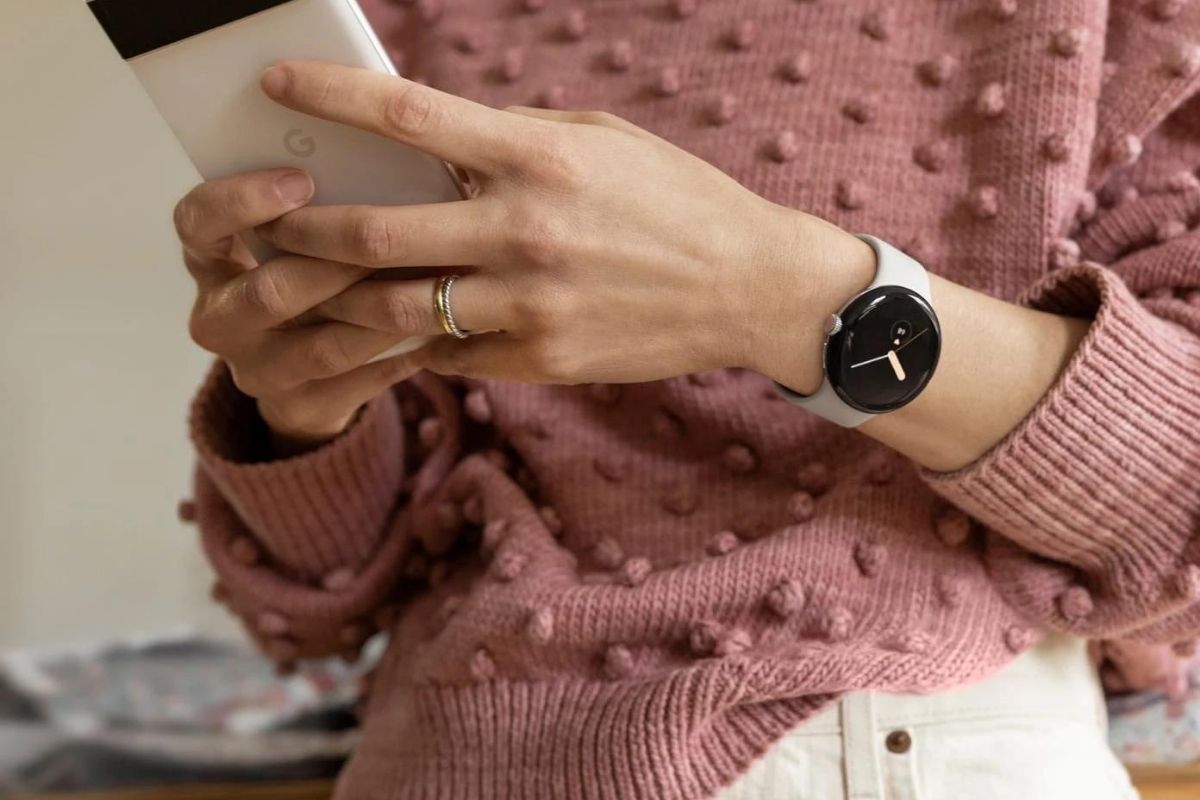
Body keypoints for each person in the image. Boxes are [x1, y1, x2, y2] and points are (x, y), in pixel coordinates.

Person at [174, 0, 1200, 797]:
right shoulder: (393, 23)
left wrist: (770, 290)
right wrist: (300, 404)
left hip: (881, 731)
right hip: (449, 747)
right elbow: (320, 597)